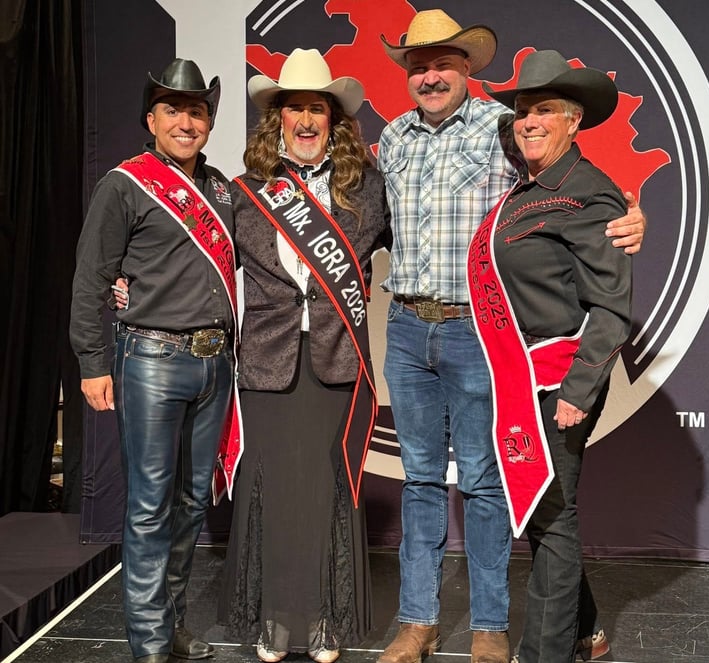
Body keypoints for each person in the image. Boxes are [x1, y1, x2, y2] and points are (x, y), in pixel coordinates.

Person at [375, 10, 643, 663]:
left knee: (487, 481)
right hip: (408, 327)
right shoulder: (391, 138)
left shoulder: (503, 127)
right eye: (418, 64)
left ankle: (491, 626)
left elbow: (574, 181)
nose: (430, 74)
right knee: (417, 480)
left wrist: (635, 213)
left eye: (443, 62)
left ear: (469, 68)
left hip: (479, 332)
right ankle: (418, 622)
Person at [215, 48, 391, 663]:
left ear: (332, 119)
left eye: (317, 107)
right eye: (296, 109)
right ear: (278, 120)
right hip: (264, 363)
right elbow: (195, 259)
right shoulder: (243, 193)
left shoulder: (367, 188)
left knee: (326, 489)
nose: (306, 119)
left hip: (337, 362)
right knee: (268, 487)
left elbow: (431, 238)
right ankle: (273, 618)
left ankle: (323, 618)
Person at [70, 59, 236, 663]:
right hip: (152, 359)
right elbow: (92, 279)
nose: (186, 121)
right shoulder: (124, 184)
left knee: (193, 503)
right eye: (173, 109)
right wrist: (93, 360)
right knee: (149, 505)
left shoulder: (220, 189)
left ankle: (171, 624)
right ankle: (148, 644)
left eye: (196, 111)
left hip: (215, 366)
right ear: (151, 119)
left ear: (210, 122)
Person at [469, 49, 632, 663]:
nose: (529, 121)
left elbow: (612, 307)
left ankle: (544, 653)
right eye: (522, 112)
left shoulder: (591, 196)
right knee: (543, 511)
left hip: (559, 380)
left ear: (574, 120)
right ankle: (585, 633)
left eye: (544, 111)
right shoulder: (527, 188)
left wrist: (578, 391)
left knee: (553, 519)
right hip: (522, 376)